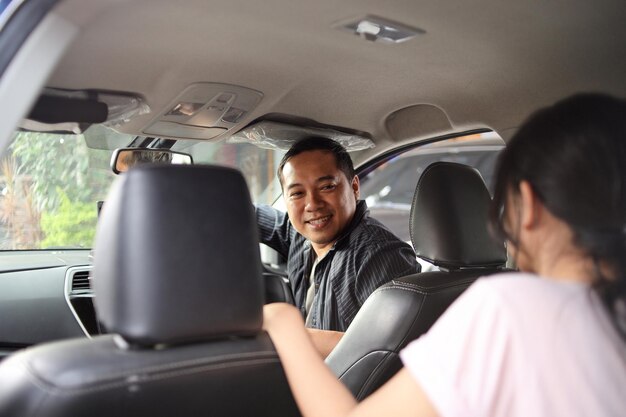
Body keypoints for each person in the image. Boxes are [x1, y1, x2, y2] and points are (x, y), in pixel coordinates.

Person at [263, 93, 626, 417]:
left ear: (527, 204)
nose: (311, 203)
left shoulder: (513, 306)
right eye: (297, 193)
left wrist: (286, 327)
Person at [256, 137, 421, 356]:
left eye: (326, 187)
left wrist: (286, 334)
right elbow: (247, 212)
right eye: (297, 193)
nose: (312, 204)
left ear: (354, 187)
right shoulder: (300, 235)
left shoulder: (376, 255)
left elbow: (391, 353)